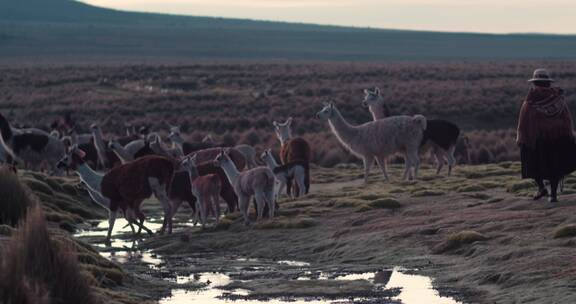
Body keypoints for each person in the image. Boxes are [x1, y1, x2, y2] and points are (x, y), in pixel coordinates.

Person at [516, 68, 576, 202]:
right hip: (558, 139)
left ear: (535, 83)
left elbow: (523, 122)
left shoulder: (530, 101)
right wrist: (568, 136)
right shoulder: (558, 99)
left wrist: (522, 138)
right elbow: (567, 119)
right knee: (555, 167)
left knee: (534, 164)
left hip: (539, 140)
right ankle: (552, 194)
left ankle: (543, 188)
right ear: (548, 83)